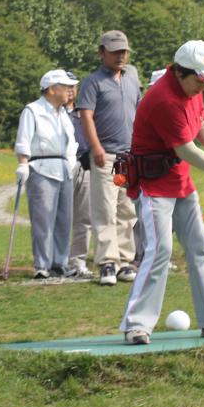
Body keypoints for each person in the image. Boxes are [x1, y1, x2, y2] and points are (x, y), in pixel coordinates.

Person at [120, 40, 204, 344]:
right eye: (200, 80)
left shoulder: (192, 90)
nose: (203, 88)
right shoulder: (164, 99)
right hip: (153, 186)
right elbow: (186, 149)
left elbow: (201, 122)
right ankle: (136, 325)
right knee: (159, 251)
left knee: (200, 247)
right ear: (180, 71)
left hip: (180, 183)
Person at [76, 30, 141, 286]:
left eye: (123, 51)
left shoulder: (132, 79)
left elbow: (139, 112)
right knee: (104, 208)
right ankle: (106, 263)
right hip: (106, 155)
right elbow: (86, 117)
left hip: (127, 156)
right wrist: (96, 148)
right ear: (101, 53)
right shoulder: (93, 82)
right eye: (114, 51)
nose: (120, 55)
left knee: (125, 209)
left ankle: (125, 261)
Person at [15, 69, 80, 278]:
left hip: (64, 168)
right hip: (41, 167)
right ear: (53, 89)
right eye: (66, 87)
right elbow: (24, 139)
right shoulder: (32, 110)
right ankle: (42, 264)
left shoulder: (63, 114)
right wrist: (23, 164)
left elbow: (71, 142)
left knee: (64, 219)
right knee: (43, 219)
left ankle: (59, 263)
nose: (70, 91)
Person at [67, 90, 94, 277]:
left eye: (73, 87)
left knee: (85, 217)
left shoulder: (84, 112)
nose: (69, 91)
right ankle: (56, 260)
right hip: (61, 166)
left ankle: (78, 260)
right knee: (59, 218)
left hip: (85, 165)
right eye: (65, 86)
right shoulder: (53, 112)